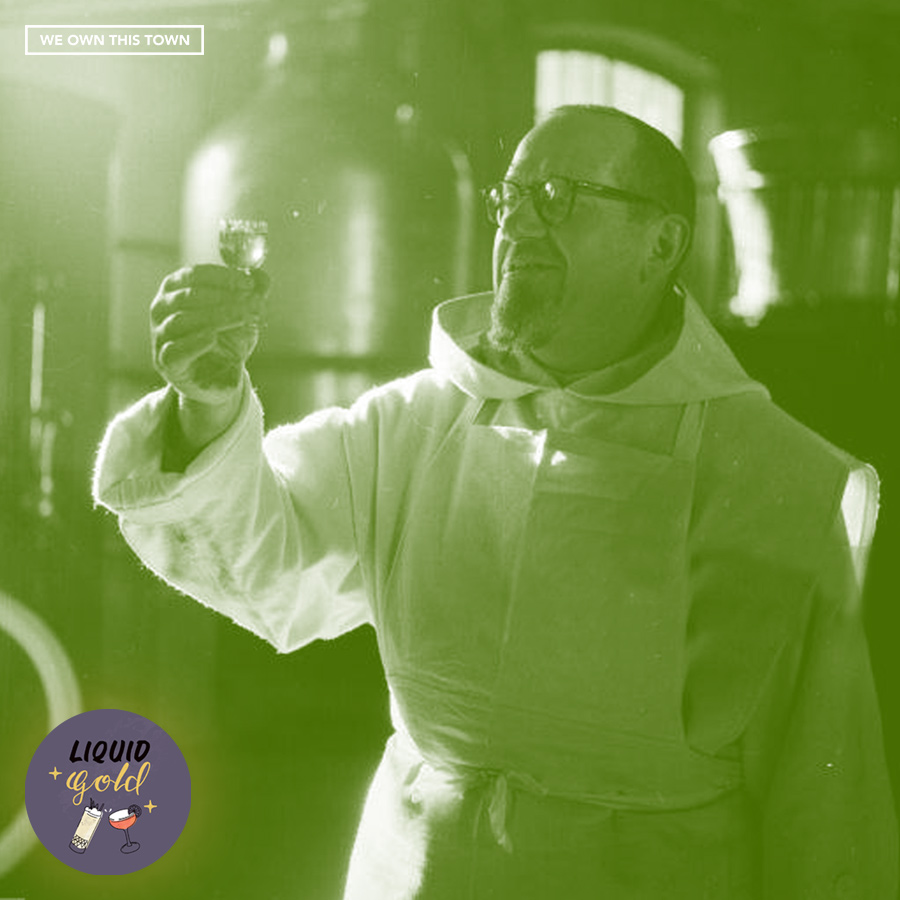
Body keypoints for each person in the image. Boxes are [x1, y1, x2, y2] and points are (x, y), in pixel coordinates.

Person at [93, 105, 898, 899]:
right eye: (510, 198)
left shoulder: (774, 477)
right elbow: (267, 553)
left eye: (558, 198)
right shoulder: (417, 423)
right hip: (420, 872)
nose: (518, 225)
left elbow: (828, 804)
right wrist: (209, 407)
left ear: (662, 244)